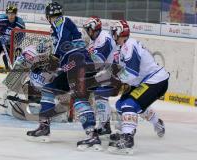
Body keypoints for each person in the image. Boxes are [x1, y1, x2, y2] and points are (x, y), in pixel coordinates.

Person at [26, 2, 102, 150]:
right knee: (49, 89)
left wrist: (54, 58)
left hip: (79, 63)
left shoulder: (60, 21)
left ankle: (92, 135)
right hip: (71, 65)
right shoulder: (58, 25)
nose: (53, 18)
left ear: (49, 16)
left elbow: (63, 39)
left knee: (79, 98)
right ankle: (44, 126)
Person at [107, 20, 170, 154]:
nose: (113, 35)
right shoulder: (122, 47)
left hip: (156, 81)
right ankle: (157, 123)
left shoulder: (129, 45)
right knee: (121, 104)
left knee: (130, 104)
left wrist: (117, 80)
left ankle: (128, 138)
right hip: (144, 82)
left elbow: (131, 72)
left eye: (114, 33)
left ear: (119, 33)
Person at [82, 16, 119, 135]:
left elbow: (98, 61)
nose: (87, 32)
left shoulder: (104, 39)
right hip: (107, 72)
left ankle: (106, 126)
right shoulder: (95, 40)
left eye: (88, 29)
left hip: (115, 72)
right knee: (98, 96)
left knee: (100, 96)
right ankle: (105, 125)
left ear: (93, 29)